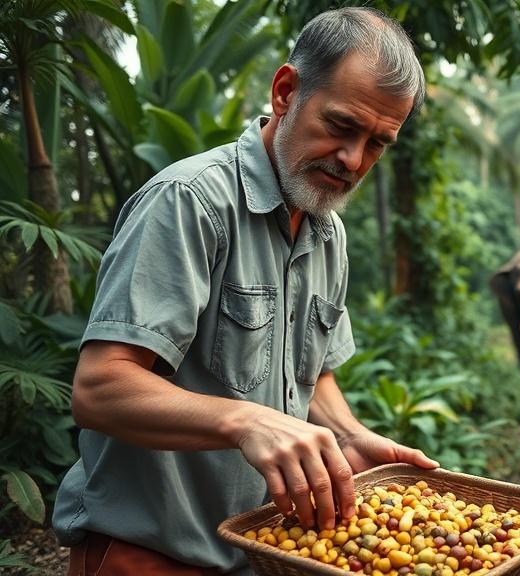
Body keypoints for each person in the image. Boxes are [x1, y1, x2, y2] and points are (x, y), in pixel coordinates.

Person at [52, 8, 438, 575]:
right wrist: (247, 421)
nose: (354, 161)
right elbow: (99, 388)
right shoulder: (189, 203)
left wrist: (349, 436)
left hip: (262, 554)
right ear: (286, 91)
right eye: (341, 126)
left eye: (378, 143)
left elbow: (314, 372)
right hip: (152, 554)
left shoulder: (326, 229)